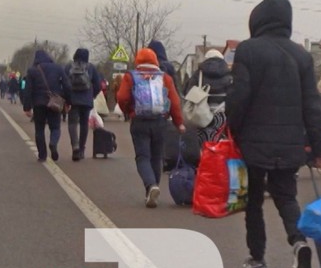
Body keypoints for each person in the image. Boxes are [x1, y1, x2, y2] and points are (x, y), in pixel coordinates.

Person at [226, 0, 321, 268]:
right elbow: (313, 106)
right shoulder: (302, 57)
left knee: (253, 201)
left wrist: (232, 131)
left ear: (257, 20)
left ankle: (257, 261)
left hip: (253, 143)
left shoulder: (248, 50)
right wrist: (320, 149)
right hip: (290, 143)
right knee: (286, 197)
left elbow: (239, 97)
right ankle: (299, 242)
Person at [117, 47, 185, 208]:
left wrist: (128, 111)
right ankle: (153, 188)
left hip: (139, 121)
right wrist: (179, 122)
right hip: (160, 121)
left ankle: (151, 186)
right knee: (156, 157)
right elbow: (174, 102)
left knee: (143, 157)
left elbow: (122, 97)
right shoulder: (165, 78)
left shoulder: (131, 76)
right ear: (155, 61)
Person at [23, 50, 72, 162]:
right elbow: (67, 86)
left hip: (38, 104)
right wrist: (68, 102)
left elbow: (28, 90)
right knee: (55, 127)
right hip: (54, 103)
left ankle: (42, 155)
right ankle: (53, 143)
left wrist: (27, 107)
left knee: (39, 129)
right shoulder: (58, 68)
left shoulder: (32, 70)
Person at [184, 48, 233, 144]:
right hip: (222, 114)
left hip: (201, 113)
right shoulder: (229, 74)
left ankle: (204, 151)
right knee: (220, 140)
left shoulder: (198, 74)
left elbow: (188, 92)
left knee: (202, 141)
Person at [65, 48, 101, 161]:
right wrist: (92, 95)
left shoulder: (69, 67)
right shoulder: (91, 67)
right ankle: (81, 149)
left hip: (73, 100)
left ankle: (75, 146)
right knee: (84, 124)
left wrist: (66, 97)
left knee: (72, 123)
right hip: (86, 100)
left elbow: (64, 83)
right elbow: (98, 85)